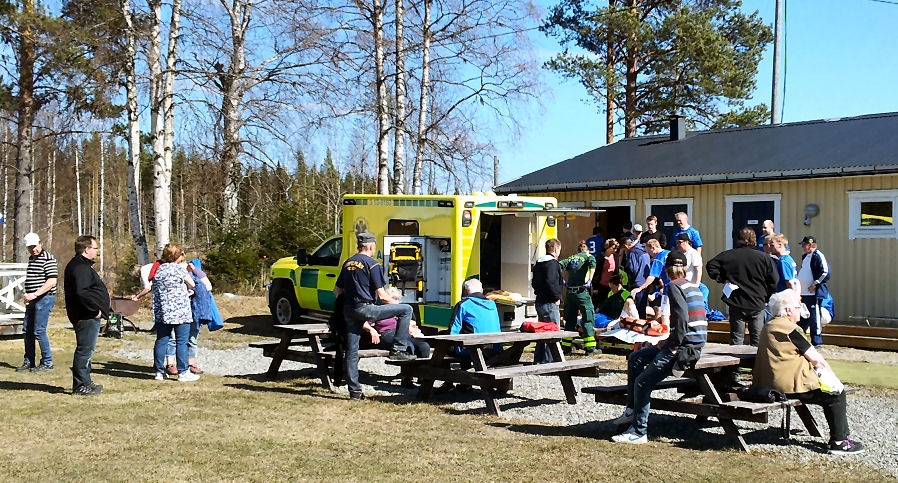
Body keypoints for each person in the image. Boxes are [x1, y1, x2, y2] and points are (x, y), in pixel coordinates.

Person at [611, 251, 707, 444]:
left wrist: (671, 346)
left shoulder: (674, 287)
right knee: (636, 358)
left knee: (642, 382)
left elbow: (682, 321)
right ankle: (632, 410)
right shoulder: (694, 286)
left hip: (683, 348)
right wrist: (667, 340)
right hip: (694, 343)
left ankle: (639, 431)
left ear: (666, 269)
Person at [753, 290, 864, 454]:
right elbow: (817, 360)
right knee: (836, 395)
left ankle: (840, 439)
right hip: (788, 388)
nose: (801, 310)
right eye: (798, 306)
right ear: (788, 310)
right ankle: (839, 442)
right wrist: (834, 380)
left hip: (767, 386)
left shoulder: (768, 326)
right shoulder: (791, 330)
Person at [335, 232, 416, 400]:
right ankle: (398, 349)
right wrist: (397, 305)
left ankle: (355, 392)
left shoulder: (347, 263)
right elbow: (382, 296)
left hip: (349, 310)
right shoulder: (372, 264)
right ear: (371, 246)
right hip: (366, 308)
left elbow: (337, 291)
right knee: (406, 309)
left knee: (352, 350)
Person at [706, 227, 779, 347]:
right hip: (757, 302)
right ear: (755, 241)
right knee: (757, 337)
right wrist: (767, 297)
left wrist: (722, 279)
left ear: (738, 240)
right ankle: (755, 364)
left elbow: (711, 265)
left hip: (737, 301)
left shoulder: (729, 255)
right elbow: (774, 281)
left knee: (736, 338)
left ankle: (734, 365)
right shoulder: (764, 258)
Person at [63, 235, 110, 396]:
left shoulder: (80, 265)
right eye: (95, 248)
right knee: (84, 350)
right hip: (85, 316)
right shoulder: (80, 267)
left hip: (85, 315)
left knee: (87, 350)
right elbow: (81, 292)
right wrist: (94, 310)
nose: (97, 251)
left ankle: (86, 381)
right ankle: (80, 385)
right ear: (86, 249)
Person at [152, 243, 199, 382]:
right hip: (180, 311)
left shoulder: (160, 270)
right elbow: (192, 284)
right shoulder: (179, 270)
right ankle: (183, 371)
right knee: (182, 341)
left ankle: (159, 372)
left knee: (161, 340)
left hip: (163, 311)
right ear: (178, 256)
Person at [17, 232, 58, 372]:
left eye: (35, 246)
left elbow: (52, 281)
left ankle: (47, 362)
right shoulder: (32, 259)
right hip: (33, 299)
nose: (33, 249)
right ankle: (29, 360)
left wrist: (35, 294)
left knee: (39, 331)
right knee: (27, 330)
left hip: (44, 298)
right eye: (30, 247)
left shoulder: (48, 258)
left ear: (40, 243)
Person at [362, 287, 430, 358]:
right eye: (394, 298)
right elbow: (364, 323)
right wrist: (371, 330)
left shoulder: (403, 310)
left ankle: (421, 367)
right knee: (408, 346)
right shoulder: (380, 310)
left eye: (398, 299)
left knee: (424, 346)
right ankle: (406, 366)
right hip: (387, 334)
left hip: (403, 334)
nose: (397, 301)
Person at [559, 240, 598, 355]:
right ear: (587, 249)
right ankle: (590, 348)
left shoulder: (571, 258)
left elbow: (558, 265)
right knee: (588, 317)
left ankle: (566, 347)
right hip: (582, 292)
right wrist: (590, 280)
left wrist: (563, 281)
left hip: (570, 293)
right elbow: (592, 267)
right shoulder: (589, 256)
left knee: (570, 320)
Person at [532, 238, 564, 363]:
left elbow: (534, 282)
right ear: (556, 249)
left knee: (542, 332)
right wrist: (557, 297)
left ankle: (539, 358)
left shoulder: (539, 263)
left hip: (540, 301)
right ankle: (550, 361)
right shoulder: (553, 263)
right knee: (553, 332)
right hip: (550, 302)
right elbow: (551, 282)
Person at [797, 235, 831, 347]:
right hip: (804, 293)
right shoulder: (805, 257)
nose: (802, 247)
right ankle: (800, 339)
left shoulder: (818, 256)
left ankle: (816, 341)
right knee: (803, 316)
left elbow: (825, 272)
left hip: (813, 293)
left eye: (804, 245)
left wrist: (815, 284)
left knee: (814, 317)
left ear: (810, 245)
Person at [630, 239, 670, 318]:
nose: (649, 255)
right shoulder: (669, 253)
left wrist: (640, 288)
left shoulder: (659, 258)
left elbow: (652, 276)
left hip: (668, 288)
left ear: (653, 248)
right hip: (678, 285)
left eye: (649, 252)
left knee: (665, 313)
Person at [621, 237, 650, 317]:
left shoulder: (632, 253)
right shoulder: (643, 250)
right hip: (645, 282)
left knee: (637, 309)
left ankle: (638, 326)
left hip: (637, 283)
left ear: (626, 246)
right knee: (642, 307)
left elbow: (632, 268)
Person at [592, 238, 619, 307]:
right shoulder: (600, 257)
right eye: (613, 248)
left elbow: (616, 271)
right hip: (601, 285)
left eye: (616, 248)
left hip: (612, 285)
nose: (615, 250)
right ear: (608, 247)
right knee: (601, 304)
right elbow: (596, 272)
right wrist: (595, 287)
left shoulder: (615, 256)